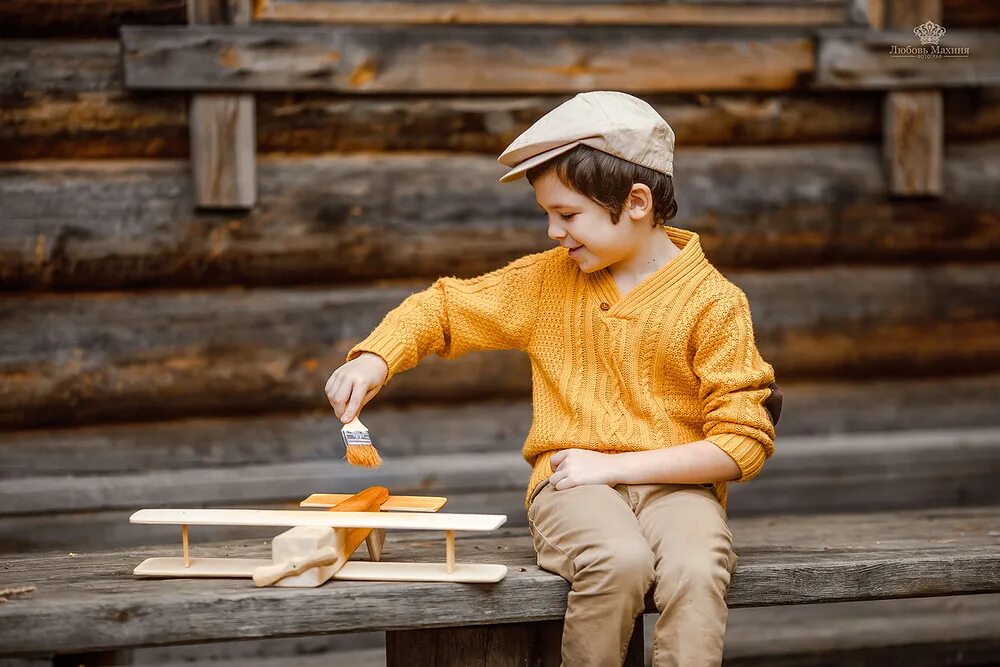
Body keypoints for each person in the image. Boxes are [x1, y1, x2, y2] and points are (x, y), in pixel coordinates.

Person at [325, 90, 782, 667]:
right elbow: (442, 309)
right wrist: (375, 358)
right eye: (548, 214)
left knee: (696, 567)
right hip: (573, 487)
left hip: (680, 489)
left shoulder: (714, 304)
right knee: (618, 562)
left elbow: (741, 443)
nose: (552, 232)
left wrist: (615, 464)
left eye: (567, 215)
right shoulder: (547, 283)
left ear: (636, 201)